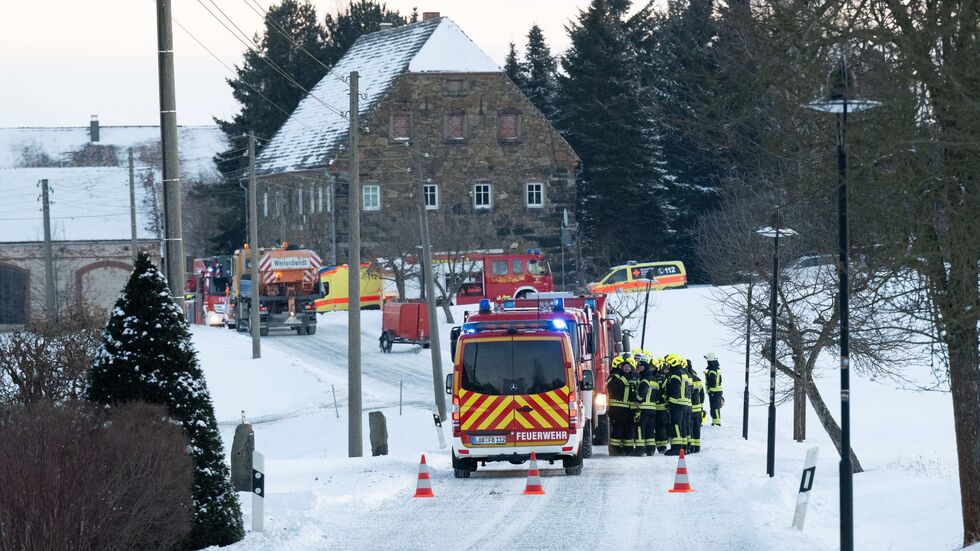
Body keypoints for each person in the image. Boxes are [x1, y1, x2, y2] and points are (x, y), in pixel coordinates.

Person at [606, 353, 635, 456]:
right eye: (622, 366)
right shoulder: (614, 377)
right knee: (618, 429)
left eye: (628, 366)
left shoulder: (628, 377)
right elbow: (616, 390)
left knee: (627, 429)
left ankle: (627, 449)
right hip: (617, 409)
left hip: (627, 409)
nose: (625, 368)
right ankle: (615, 449)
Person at [637, 356, 665, 456]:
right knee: (650, 430)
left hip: (644, 408)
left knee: (642, 428)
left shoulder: (645, 379)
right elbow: (657, 395)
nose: (638, 369)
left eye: (640, 368)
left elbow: (642, 393)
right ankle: (651, 449)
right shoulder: (654, 379)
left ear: (644, 368)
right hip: (653, 409)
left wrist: (637, 400)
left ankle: (640, 449)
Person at [663, 353, 689, 456]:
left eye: (668, 363)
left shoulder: (675, 375)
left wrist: (671, 404)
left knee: (676, 425)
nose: (667, 365)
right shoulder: (683, 373)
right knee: (682, 425)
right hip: (683, 403)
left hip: (677, 404)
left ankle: (677, 448)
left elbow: (675, 390)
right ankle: (684, 447)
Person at [687, 360, 705, 453]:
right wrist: (701, 405)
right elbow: (702, 394)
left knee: (690, 428)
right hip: (698, 409)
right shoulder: (698, 379)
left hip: (689, 407)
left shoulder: (687, 379)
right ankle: (697, 446)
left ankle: (692, 446)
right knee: (697, 428)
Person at [705, 352, 724, 426]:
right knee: (716, 407)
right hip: (718, 391)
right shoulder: (717, 369)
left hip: (714, 392)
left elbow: (712, 383)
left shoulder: (712, 371)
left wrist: (710, 390)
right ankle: (716, 421)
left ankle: (716, 422)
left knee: (714, 407)